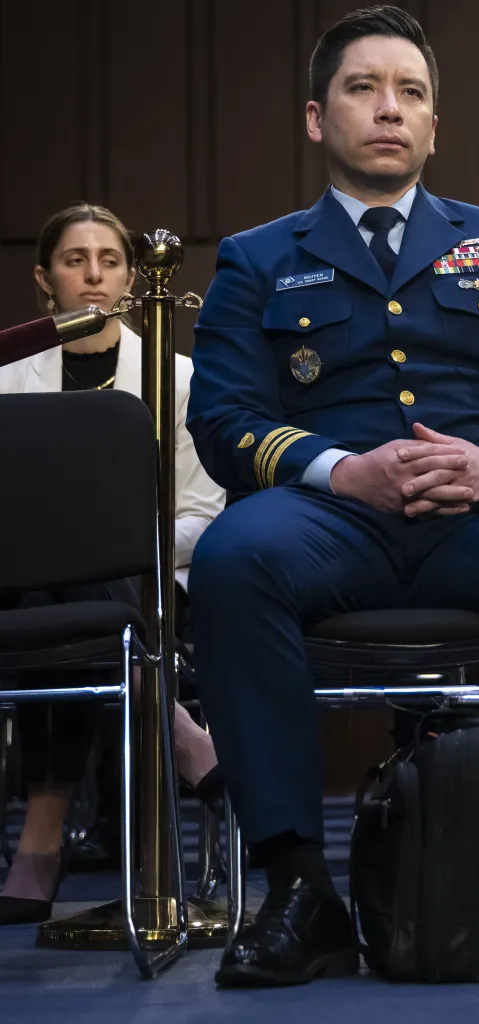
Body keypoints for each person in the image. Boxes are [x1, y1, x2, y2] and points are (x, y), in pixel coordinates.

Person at [187, 5, 479, 991]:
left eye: (411, 92)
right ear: (317, 118)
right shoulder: (255, 255)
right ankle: (297, 890)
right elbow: (223, 419)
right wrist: (336, 467)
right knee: (230, 557)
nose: (388, 108)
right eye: (363, 87)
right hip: (327, 519)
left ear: (435, 126)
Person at [0, 203, 226, 924]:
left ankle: (39, 842)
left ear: (133, 277)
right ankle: (177, 724)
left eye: (109, 260)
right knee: (47, 584)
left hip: (151, 580)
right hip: (32, 583)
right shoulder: (7, 378)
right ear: (45, 280)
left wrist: (123, 541)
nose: (93, 275)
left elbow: (202, 511)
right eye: (74, 261)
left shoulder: (180, 376)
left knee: (77, 588)